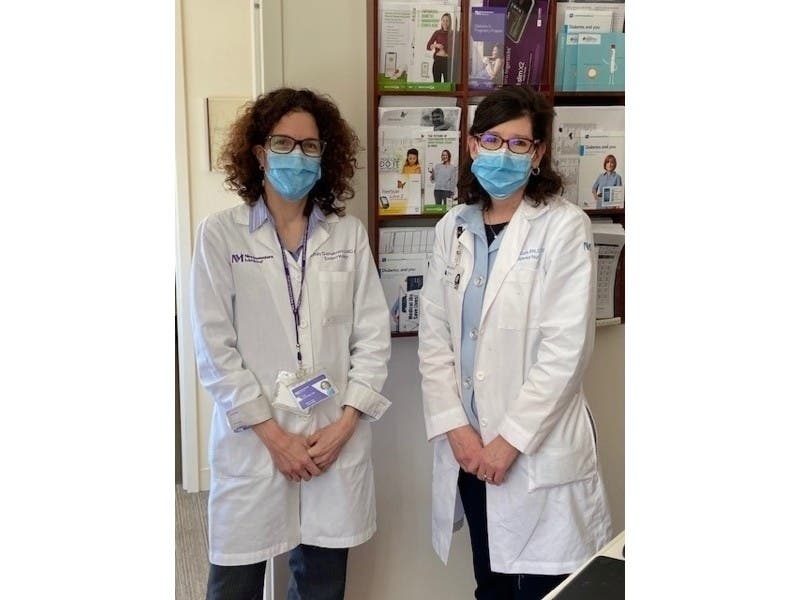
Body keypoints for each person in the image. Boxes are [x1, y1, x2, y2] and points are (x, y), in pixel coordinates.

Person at [191, 87, 392, 600]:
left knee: (321, 584)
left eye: (310, 146)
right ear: (260, 153)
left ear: (324, 158)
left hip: (331, 438)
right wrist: (275, 437)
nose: (297, 156)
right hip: (256, 443)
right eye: (283, 143)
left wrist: (345, 425)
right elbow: (215, 349)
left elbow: (372, 339)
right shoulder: (221, 235)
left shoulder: (347, 236)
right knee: (234, 585)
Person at [418, 86, 612, 600]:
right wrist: (456, 429)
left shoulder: (564, 227)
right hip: (470, 451)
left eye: (519, 143)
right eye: (491, 140)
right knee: (492, 585)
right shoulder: (452, 228)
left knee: (546, 590)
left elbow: (566, 352)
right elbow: (434, 339)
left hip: (533, 451)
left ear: (538, 153)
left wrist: (508, 443)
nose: (503, 153)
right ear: (471, 145)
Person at [426, 13, 453, 83]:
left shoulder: (453, 34)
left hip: (448, 62)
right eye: (443, 20)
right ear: (441, 21)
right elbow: (428, 46)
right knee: (437, 85)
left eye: (447, 20)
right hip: (437, 61)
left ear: (450, 22)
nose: (445, 22)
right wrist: (436, 45)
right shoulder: (437, 33)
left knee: (447, 84)